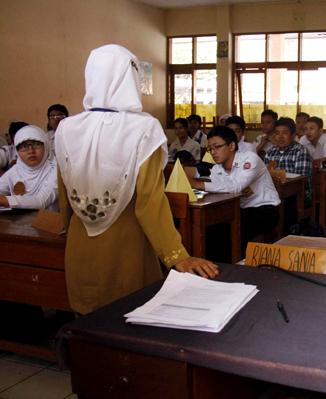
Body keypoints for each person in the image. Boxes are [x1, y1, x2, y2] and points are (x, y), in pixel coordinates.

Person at [54, 44, 218, 315]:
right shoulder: (143, 129)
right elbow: (150, 203)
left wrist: (65, 226)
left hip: (80, 245)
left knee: (89, 329)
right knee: (130, 322)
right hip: (126, 249)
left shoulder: (66, 128)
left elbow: (64, 196)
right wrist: (177, 256)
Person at [192, 126, 281, 251]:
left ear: (232, 146)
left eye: (217, 147)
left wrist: (199, 184)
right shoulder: (217, 169)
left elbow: (236, 187)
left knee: (227, 232)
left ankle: (236, 266)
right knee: (210, 228)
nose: (212, 152)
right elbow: (219, 192)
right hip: (239, 210)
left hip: (264, 209)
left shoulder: (250, 159)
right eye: (210, 149)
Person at [0, 125, 57, 210]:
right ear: (17, 151)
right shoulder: (16, 170)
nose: (31, 151)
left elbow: (41, 201)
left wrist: (6, 200)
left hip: (49, 221)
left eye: (36, 144)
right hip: (19, 221)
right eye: (24, 147)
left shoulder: (55, 170)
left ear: (46, 146)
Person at [265, 117, 313, 204]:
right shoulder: (270, 152)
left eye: (285, 133)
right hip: (275, 192)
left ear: (293, 135)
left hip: (298, 195)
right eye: (277, 133)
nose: (280, 137)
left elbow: (301, 181)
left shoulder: (300, 151)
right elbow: (264, 175)